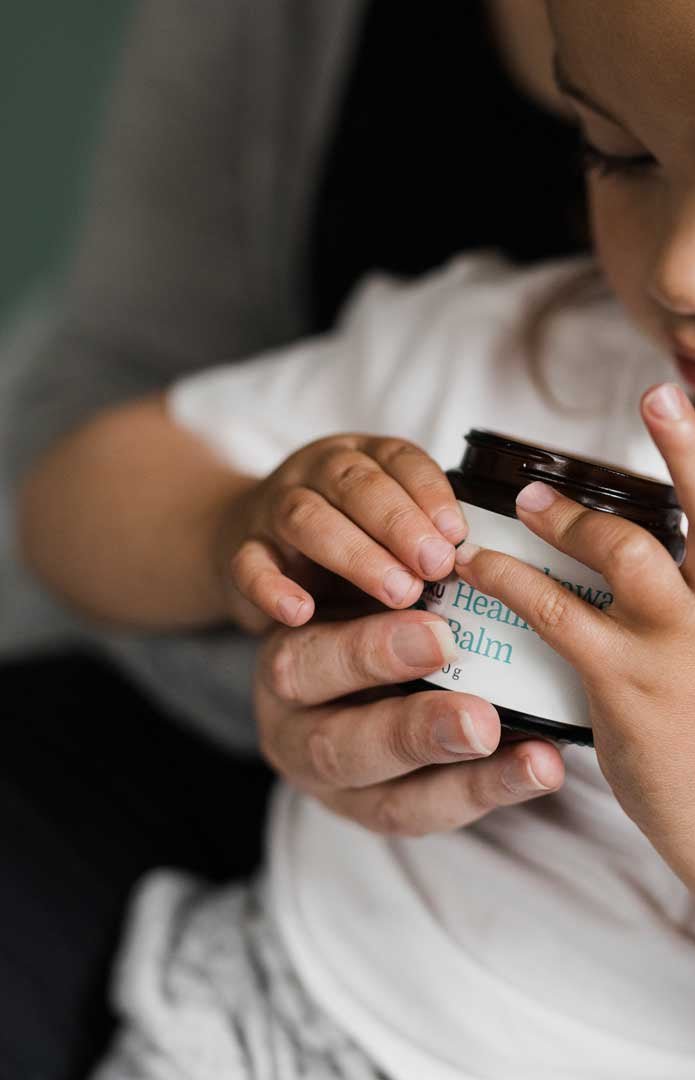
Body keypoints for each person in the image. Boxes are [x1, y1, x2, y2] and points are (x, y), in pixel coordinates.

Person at [17, 0, 695, 1076]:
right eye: (619, 154)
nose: (684, 275)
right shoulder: (503, 346)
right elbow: (67, 507)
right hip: (276, 1022)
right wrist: (244, 532)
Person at [0, 2, 585, 1077]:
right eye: (624, 154)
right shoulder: (475, 330)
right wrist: (244, 540)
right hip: (253, 919)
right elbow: (68, 484)